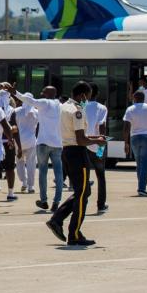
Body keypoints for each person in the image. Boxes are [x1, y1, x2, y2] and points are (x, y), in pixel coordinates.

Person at [43, 82, 105, 246]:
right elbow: (81, 139)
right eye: (88, 96)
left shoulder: (64, 107)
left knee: (82, 192)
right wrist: (97, 140)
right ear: (83, 95)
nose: (88, 100)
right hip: (77, 154)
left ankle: (57, 220)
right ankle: (74, 234)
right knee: (83, 194)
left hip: (67, 152)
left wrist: (92, 139)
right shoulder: (77, 111)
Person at [15, 85, 63, 212]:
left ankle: (44, 200)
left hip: (42, 143)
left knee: (43, 172)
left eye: (43, 91)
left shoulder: (44, 102)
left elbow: (30, 101)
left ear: (47, 94)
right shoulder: (60, 105)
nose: (41, 93)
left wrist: (15, 92)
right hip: (57, 144)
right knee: (59, 173)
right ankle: (56, 202)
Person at [123, 90, 147, 197]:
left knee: (139, 164)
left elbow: (126, 127)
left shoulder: (130, 109)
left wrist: (126, 143)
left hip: (134, 138)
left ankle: (141, 186)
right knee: (145, 164)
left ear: (134, 98)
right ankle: (142, 188)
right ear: (144, 98)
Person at [83, 82, 108, 212]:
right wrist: (101, 143)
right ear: (97, 94)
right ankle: (101, 205)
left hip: (83, 144)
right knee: (100, 175)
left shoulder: (81, 106)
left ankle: (84, 201)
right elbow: (102, 125)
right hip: (98, 144)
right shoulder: (102, 108)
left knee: (84, 175)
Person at [11, 94, 39, 195]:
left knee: (19, 163)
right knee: (31, 164)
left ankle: (24, 182)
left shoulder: (16, 111)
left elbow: (13, 128)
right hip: (31, 141)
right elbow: (38, 128)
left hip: (19, 141)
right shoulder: (36, 112)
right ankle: (31, 186)